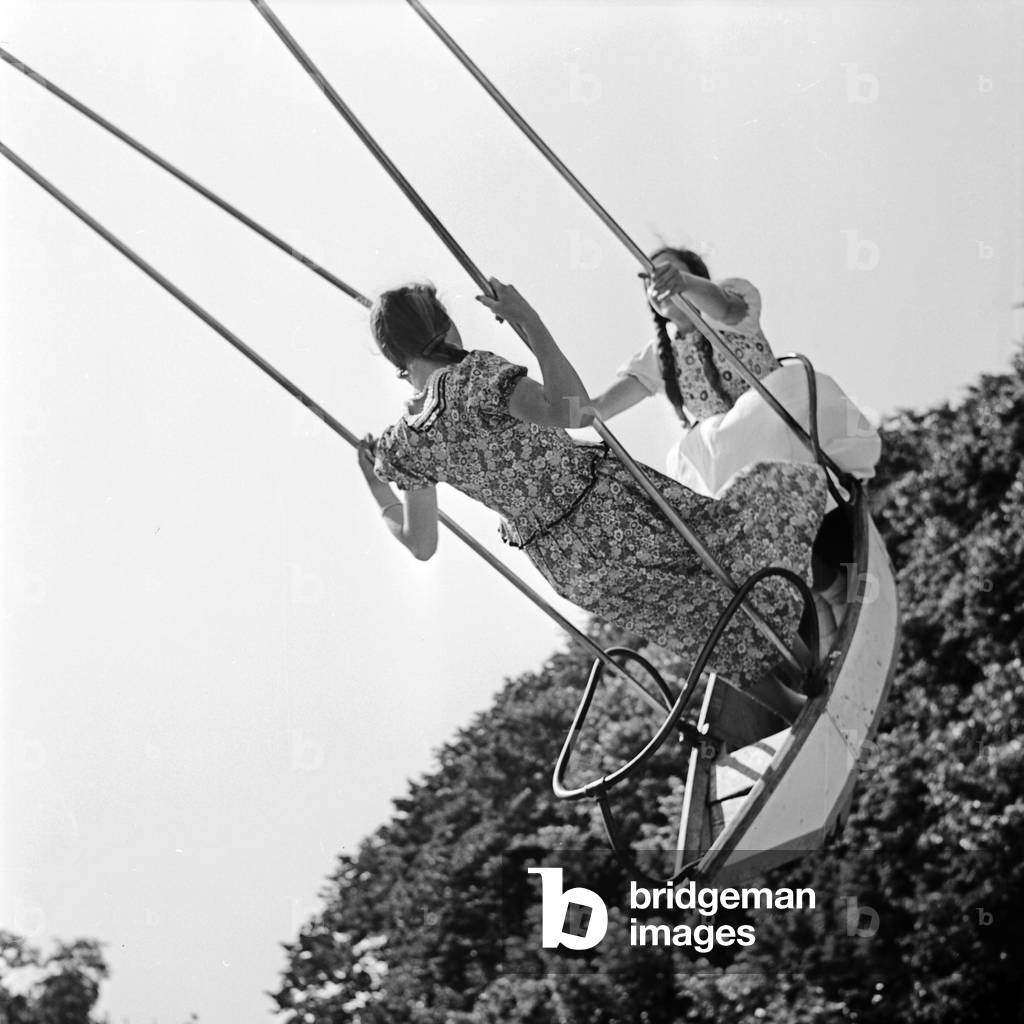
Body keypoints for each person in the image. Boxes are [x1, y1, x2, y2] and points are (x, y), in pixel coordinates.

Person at [356, 279, 829, 712]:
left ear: (395, 359)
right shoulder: (473, 378)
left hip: (567, 564)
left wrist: (380, 490)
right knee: (724, 561)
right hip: (606, 511)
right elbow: (574, 412)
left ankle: (794, 713)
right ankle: (814, 667)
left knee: (697, 623)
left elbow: (422, 544)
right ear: (444, 325)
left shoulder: (402, 446)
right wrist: (530, 322)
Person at [588, 247, 881, 504]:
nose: (659, 282)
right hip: (733, 459)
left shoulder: (729, 304)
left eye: (670, 271)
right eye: (650, 281)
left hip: (786, 425)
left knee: (776, 395)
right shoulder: (657, 358)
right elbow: (596, 409)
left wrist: (685, 284)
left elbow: (726, 307)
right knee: (691, 449)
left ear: (696, 277)